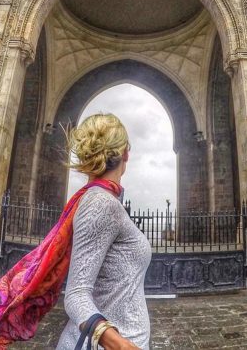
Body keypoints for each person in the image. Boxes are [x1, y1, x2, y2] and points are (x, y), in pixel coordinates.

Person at [56, 113, 151, 350]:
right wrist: (119, 344)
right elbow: (76, 294)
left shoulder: (105, 200)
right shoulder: (100, 203)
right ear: (125, 153)